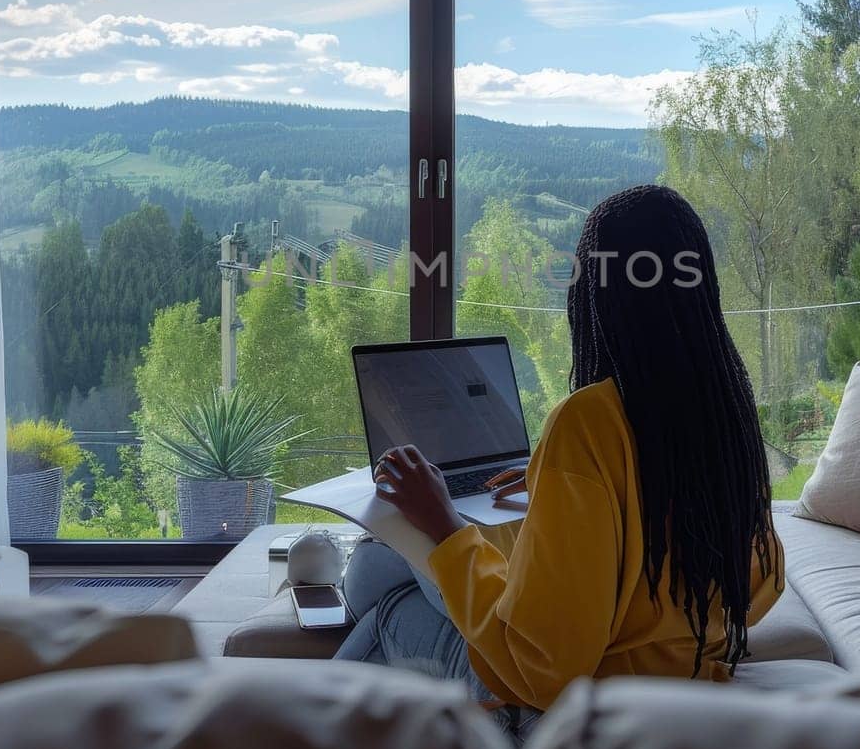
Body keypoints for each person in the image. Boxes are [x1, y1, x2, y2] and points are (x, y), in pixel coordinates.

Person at [335, 184, 784, 720]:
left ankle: (298, 737)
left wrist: (443, 521)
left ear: (595, 295)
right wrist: (568, 481)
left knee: (386, 598)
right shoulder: (722, 410)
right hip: (688, 686)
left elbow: (544, 668)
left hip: (575, 713)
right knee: (381, 562)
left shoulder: (590, 421)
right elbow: (762, 585)